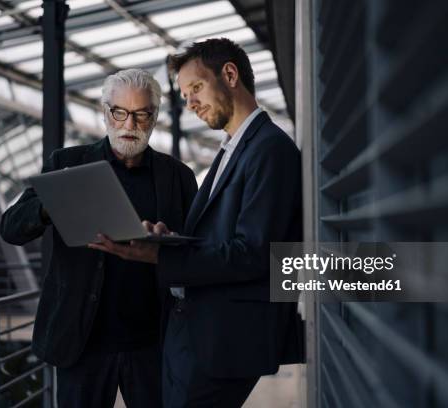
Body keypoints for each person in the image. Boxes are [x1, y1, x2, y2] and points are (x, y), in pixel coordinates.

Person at [89, 39, 304, 408]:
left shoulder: (270, 150)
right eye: (185, 94)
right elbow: (220, 238)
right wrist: (169, 241)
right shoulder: (234, 148)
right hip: (198, 333)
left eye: (196, 88)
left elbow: (254, 254)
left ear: (230, 75)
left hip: (225, 341)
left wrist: (159, 258)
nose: (189, 103)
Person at [0, 68, 197, 408]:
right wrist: (51, 207)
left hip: (153, 343)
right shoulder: (66, 164)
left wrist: (171, 241)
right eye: (120, 112)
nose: (129, 125)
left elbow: (198, 249)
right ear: (106, 112)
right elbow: (11, 228)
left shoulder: (177, 177)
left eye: (141, 114)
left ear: (155, 116)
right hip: (82, 344)